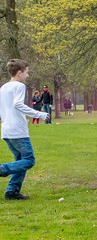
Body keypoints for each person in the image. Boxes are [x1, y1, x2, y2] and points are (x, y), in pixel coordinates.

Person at [0, 59, 50, 200]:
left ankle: (12, 191)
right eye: (27, 72)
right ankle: (2, 169)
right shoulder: (19, 86)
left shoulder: (3, 87)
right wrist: (39, 114)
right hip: (17, 131)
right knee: (29, 160)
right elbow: (17, 104)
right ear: (19, 73)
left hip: (6, 131)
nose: (27, 75)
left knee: (20, 160)